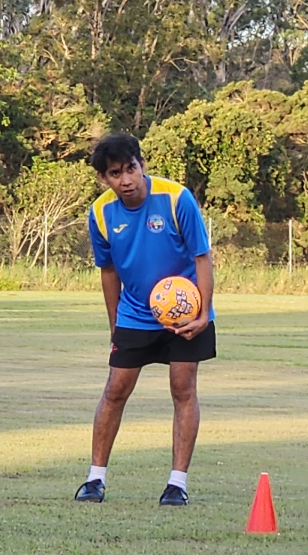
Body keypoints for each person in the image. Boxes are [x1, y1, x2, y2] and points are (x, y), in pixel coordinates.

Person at [74, 133, 215, 506]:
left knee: (182, 389)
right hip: (134, 314)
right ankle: (94, 479)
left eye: (131, 169)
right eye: (115, 173)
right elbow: (107, 271)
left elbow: (202, 257)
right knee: (115, 390)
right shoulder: (101, 212)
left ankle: (177, 484)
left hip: (185, 312)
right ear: (104, 178)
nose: (126, 180)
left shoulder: (176, 198)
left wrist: (202, 316)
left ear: (142, 163)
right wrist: (114, 324)